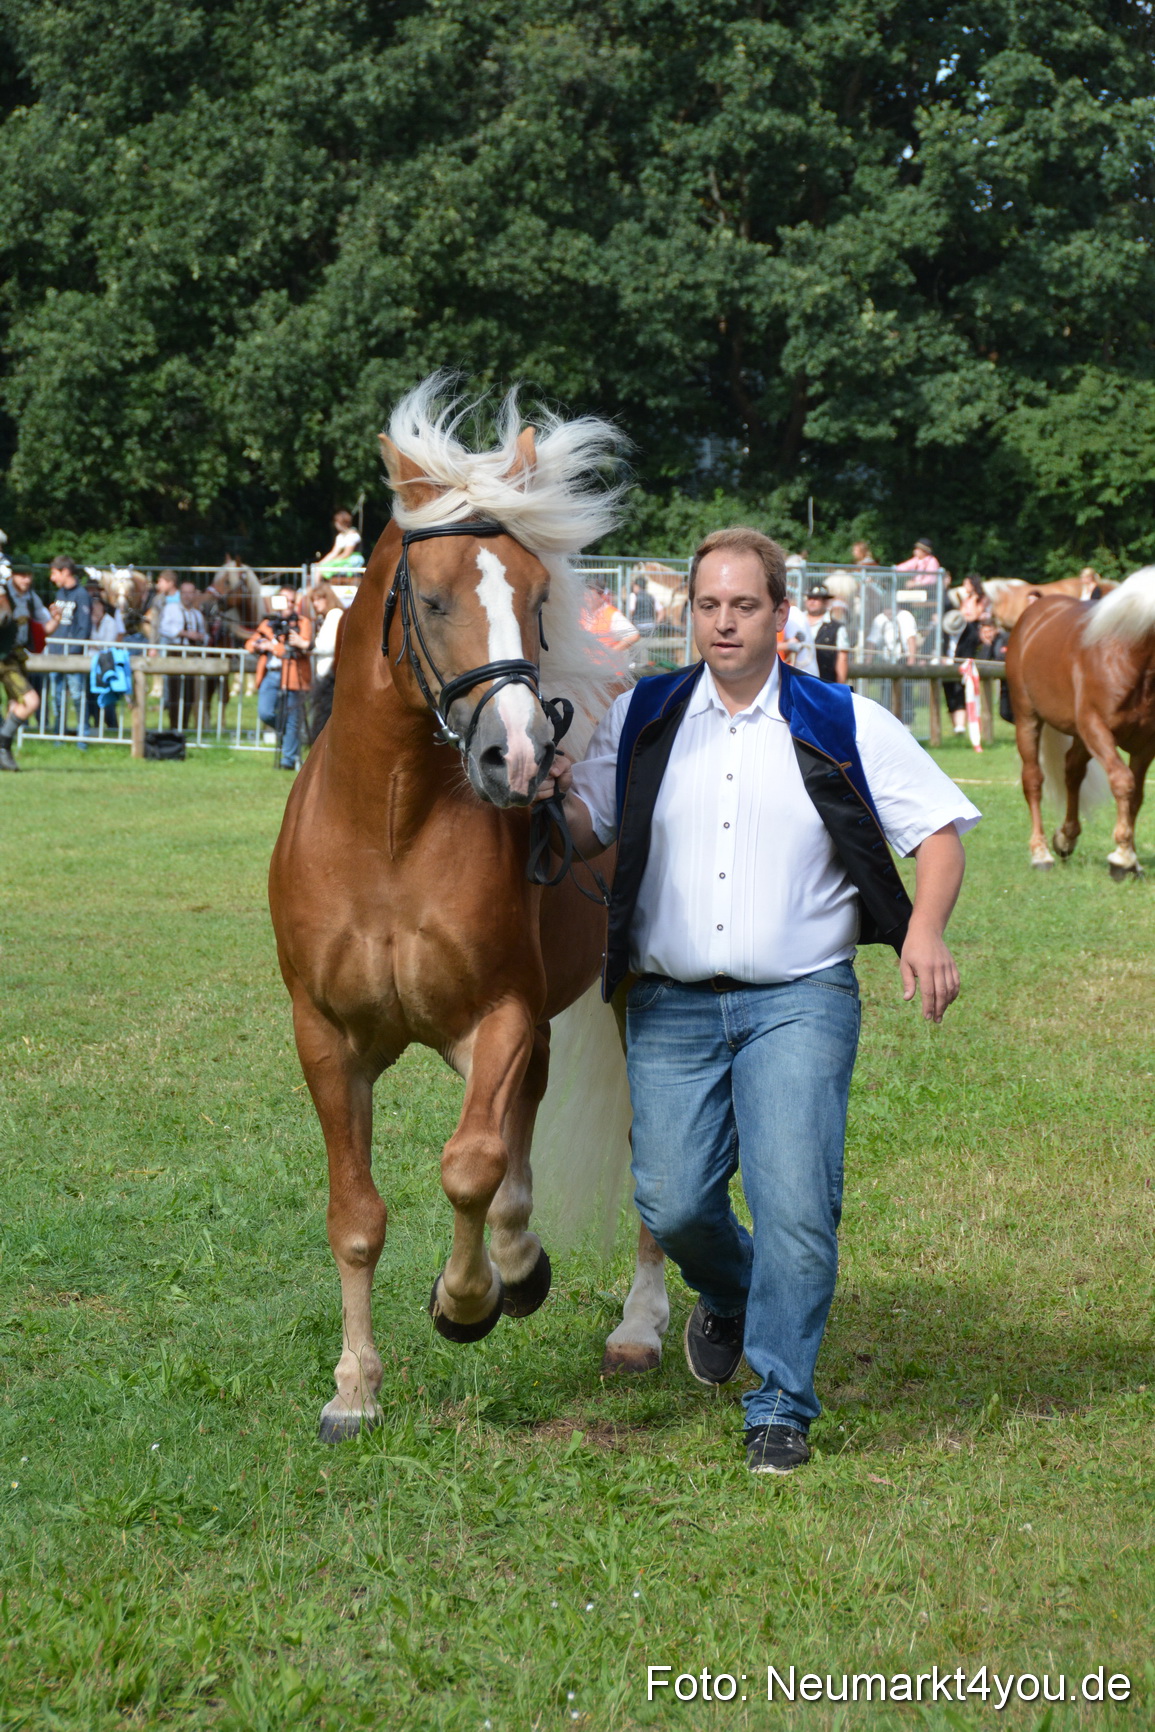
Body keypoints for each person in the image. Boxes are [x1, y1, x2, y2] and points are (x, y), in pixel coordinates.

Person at [539, 526, 979, 1475]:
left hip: (799, 1002)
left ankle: (779, 1399)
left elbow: (937, 830)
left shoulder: (836, 717)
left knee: (794, 1208)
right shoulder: (646, 715)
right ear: (687, 612)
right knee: (673, 1196)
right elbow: (589, 828)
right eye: (707, 606)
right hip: (670, 1004)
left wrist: (925, 927)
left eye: (744, 605)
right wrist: (548, 798)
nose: (724, 623)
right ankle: (731, 1291)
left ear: (780, 611)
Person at [245, 585, 314, 769]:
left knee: (293, 719)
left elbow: (297, 649)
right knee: (265, 713)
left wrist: (272, 647)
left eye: (292, 601)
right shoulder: (268, 623)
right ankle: (288, 737)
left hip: (293, 675)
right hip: (270, 676)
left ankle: (287, 762)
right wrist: (259, 645)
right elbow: (250, 644)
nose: (289, 605)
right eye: (285, 600)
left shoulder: (302, 623)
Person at [44, 556, 92, 747]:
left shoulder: (81, 594)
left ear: (65, 572)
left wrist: (72, 650)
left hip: (72, 656)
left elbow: (84, 627)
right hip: (56, 652)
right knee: (56, 697)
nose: (52, 578)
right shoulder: (60, 593)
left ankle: (83, 738)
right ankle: (59, 736)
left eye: (54, 573)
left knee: (77, 695)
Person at [0, 575, 46, 771]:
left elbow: (46, 627)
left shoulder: (29, 598)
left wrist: (56, 620)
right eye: (22, 575)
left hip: (15, 656)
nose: (27, 580)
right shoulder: (5, 591)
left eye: (29, 575)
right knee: (31, 701)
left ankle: (3, 751)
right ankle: (2, 747)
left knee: (15, 706)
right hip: (4, 658)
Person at [581, 579, 639, 652]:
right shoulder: (580, 613)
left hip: (604, 663)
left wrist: (611, 653)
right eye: (585, 595)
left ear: (602, 597)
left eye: (590, 596)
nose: (586, 598)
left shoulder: (612, 615)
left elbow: (633, 636)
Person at [811, 587, 851, 683]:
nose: (812, 602)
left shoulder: (837, 628)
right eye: (810, 598)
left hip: (824, 682)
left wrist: (840, 687)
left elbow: (842, 659)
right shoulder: (798, 622)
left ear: (825, 602)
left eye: (816, 599)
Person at [315, 509, 363, 574]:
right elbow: (334, 553)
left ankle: (316, 584)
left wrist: (332, 561)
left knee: (322, 569)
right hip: (343, 560)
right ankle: (317, 583)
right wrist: (321, 563)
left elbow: (346, 554)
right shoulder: (340, 536)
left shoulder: (353, 535)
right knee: (319, 568)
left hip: (352, 561)